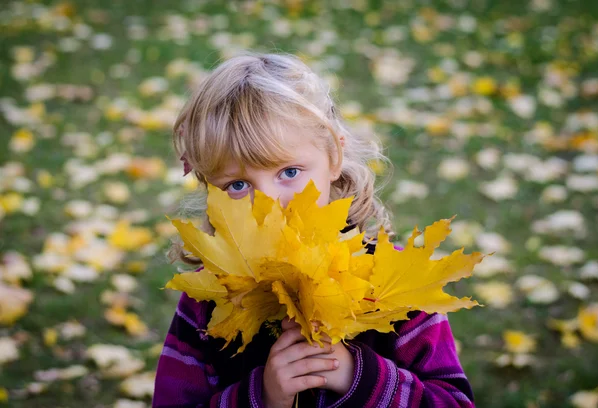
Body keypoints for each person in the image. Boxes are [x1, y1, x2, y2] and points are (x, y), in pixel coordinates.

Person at [153, 52, 475, 408]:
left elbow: (454, 402)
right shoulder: (207, 299)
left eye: (289, 172)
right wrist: (262, 397)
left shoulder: (397, 287)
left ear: (334, 158)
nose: (269, 203)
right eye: (237, 185)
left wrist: (358, 376)